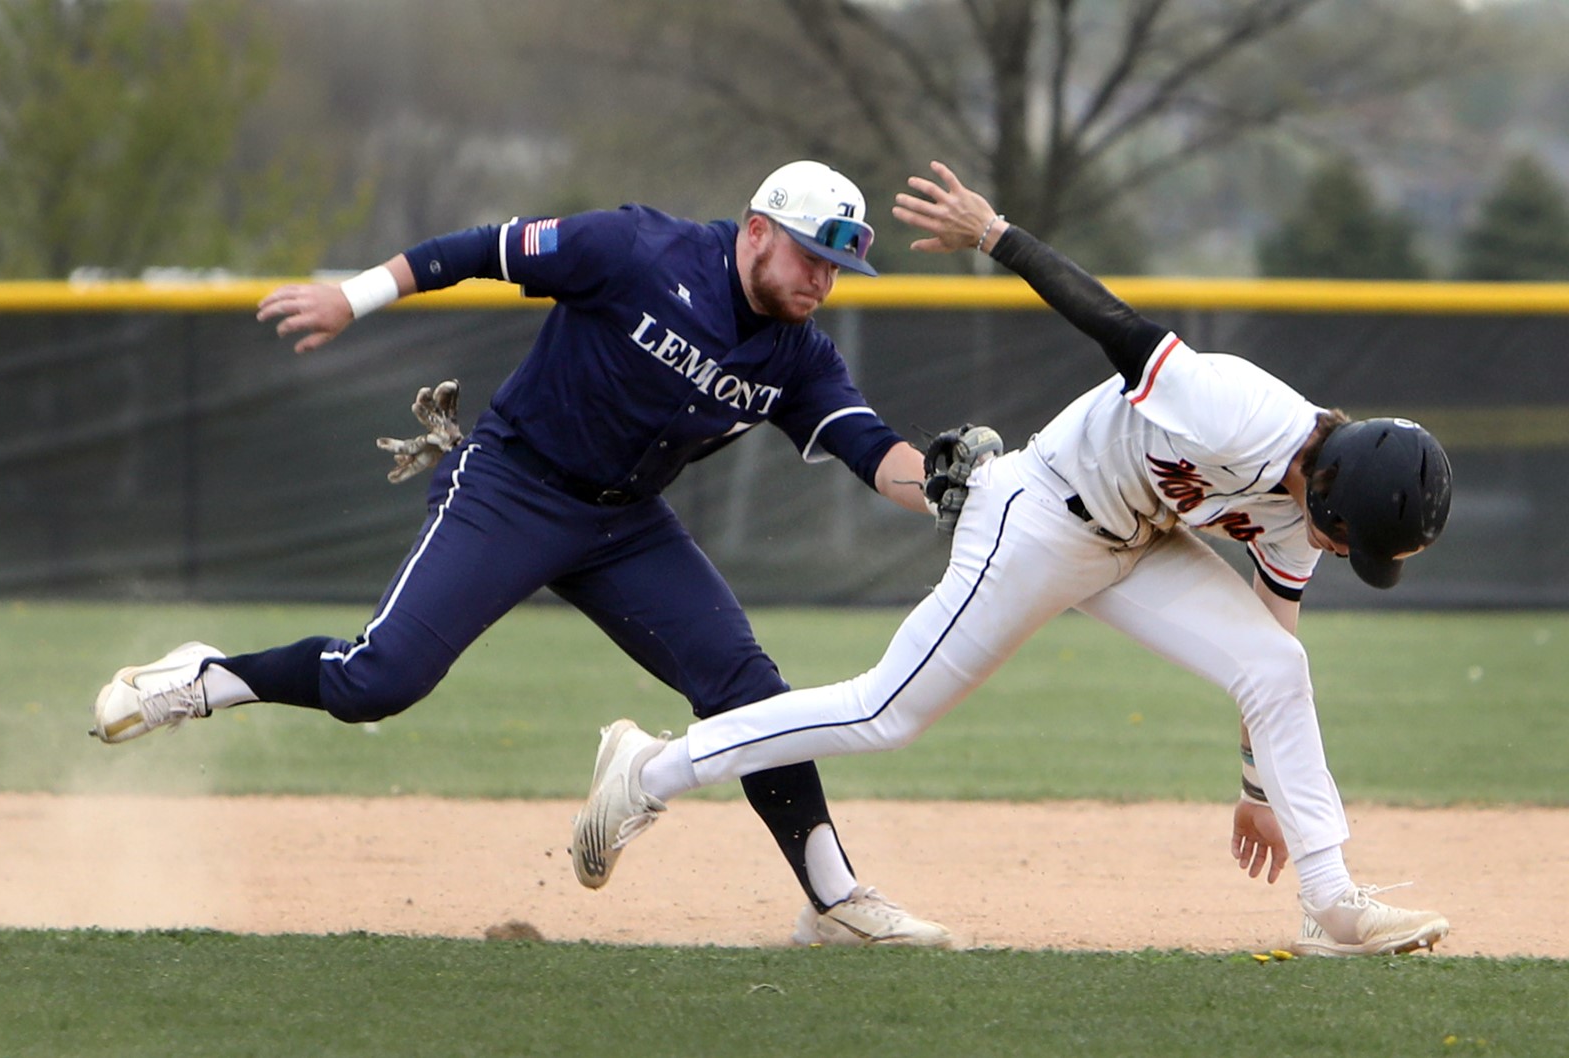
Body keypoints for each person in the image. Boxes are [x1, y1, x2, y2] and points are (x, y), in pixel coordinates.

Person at [572, 160, 1456, 957]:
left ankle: (1332, 904)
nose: (1346, 552)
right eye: (1355, 537)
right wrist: (995, 235)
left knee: (1279, 664)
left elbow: (1272, 632)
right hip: (1038, 517)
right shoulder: (1240, 410)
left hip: (1140, 546)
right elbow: (1116, 324)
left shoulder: (1310, 509)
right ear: (1333, 485)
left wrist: (1262, 788)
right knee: (885, 713)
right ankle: (649, 768)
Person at [89, 159, 958, 948]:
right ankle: (206, 678)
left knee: (753, 694)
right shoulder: (637, 249)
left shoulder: (798, 355)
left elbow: (872, 452)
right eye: (810, 255)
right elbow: (480, 248)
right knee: (376, 683)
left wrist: (953, 483)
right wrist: (350, 298)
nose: (824, 278)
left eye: (837, 266)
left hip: (626, 524)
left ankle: (834, 900)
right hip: (514, 485)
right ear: (758, 231)